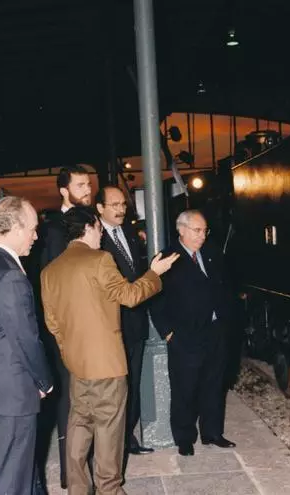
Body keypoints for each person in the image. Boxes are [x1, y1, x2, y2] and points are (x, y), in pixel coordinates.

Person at [41, 206, 179, 495]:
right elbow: (130, 296)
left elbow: (52, 324)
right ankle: (109, 490)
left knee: (79, 426)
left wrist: (70, 353)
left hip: (76, 364)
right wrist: (154, 273)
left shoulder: (50, 271)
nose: (101, 235)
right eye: (99, 229)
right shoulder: (100, 260)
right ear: (88, 228)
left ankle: (78, 489)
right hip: (106, 365)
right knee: (109, 431)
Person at [0, 196, 54, 495]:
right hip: (12, 393)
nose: (35, 236)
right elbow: (25, 338)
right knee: (12, 480)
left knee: (20, 471)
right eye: (32, 229)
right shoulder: (10, 274)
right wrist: (44, 381)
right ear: (15, 228)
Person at [152, 210, 236, 456]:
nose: (202, 236)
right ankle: (184, 437)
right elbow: (154, 299)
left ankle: (212, 432)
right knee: (184, 388)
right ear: (181, 229)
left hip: (214, 331)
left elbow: (224, 287)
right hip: (185, 335)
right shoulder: (167, 258)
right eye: (197, 231)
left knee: (213, 385)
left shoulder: (212, 253)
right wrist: (168, 333)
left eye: (204, 231)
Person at [35, 164, 93, 488]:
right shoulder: (55, 229)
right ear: (64, 190)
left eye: (89, 184)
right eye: (80, 185)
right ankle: (70, 473)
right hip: (68, 329)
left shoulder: (91, 221)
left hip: (90, 326)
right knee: (69, 401)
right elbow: (56, 282)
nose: (87, 189)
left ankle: (87, 466)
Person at [94, 186, 153, 457]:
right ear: (100, 208)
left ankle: (128, 435)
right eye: (114, 205)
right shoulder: (94, 239)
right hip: (111, 325)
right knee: (114, 387)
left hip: (135, 323)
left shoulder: (129, 233)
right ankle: (113, 440)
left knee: (134, 383)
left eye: (123, 205)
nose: (121, 210)